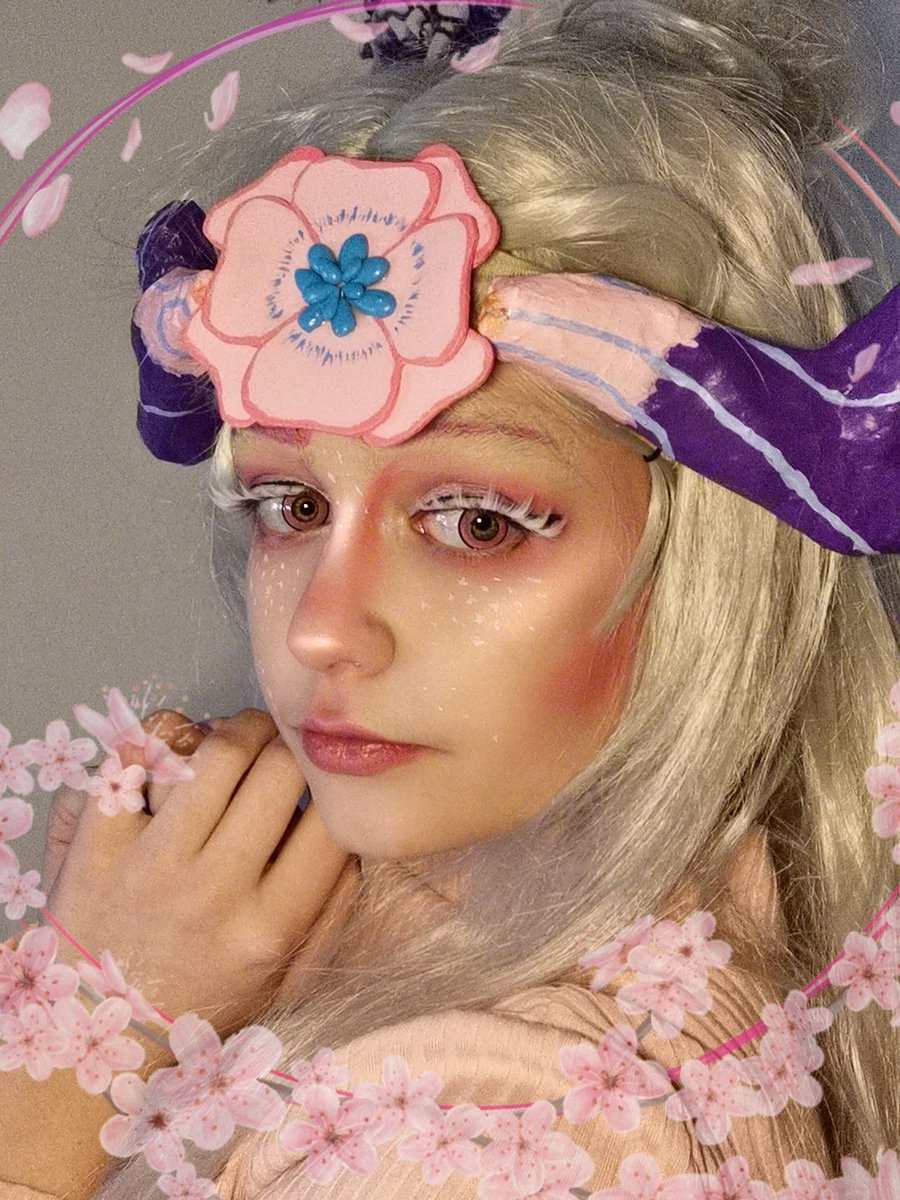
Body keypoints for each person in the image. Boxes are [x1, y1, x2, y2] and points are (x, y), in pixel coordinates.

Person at [1, 1, 899, 1197]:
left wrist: (66, 1064)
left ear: (709, 565)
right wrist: (335, 946)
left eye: (476, 521)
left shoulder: (467, 1141)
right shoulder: (691, 946)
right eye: (291, 504)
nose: (322, 628)